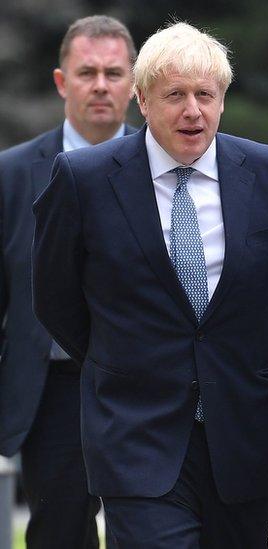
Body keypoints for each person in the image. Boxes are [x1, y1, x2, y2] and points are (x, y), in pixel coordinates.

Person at [31, 22, 268, 548]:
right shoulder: (84, 179)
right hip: (136, 432)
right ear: (141, 99)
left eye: (206, 95)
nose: (192, 111)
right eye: (175, 95)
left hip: (243, 430)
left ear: (223, 100)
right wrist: (124, 355)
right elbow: (55, 297)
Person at [0, 15, 136, 548]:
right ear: (62, 82)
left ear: (133, 83)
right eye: (87, 73)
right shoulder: (12, 176)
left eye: (113, 72)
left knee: (149, 529)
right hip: (52, 390)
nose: (100, 85)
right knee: (58, 534)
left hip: (144, 385)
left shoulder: (168, 166)